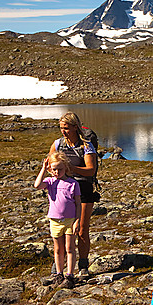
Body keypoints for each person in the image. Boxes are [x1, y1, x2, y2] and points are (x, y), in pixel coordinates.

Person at [48, 112, 98, 279]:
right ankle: (59, 266)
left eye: (67, 128)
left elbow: (91, 170)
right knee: (61, 229)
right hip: (62, 190)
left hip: (83, 188)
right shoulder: (57, 144)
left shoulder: (86, 146)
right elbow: (50, 164)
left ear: (76, 127)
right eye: (62, 128)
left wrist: (70, 168)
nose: (63, 132)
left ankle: (83, 265)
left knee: (81, 229)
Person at [34, 152, 81, 289]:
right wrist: (43, 168)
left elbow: (78, 204)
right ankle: (58, 274)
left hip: (70, 220)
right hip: (54, 220)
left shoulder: (73, 184)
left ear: (66, 167)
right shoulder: (49, 182)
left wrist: (77, 221)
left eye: (60, 169)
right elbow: (37, 185)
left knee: (70, 248)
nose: (57, 172)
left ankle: (70, 275)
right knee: (58, 249)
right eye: (54, 169)